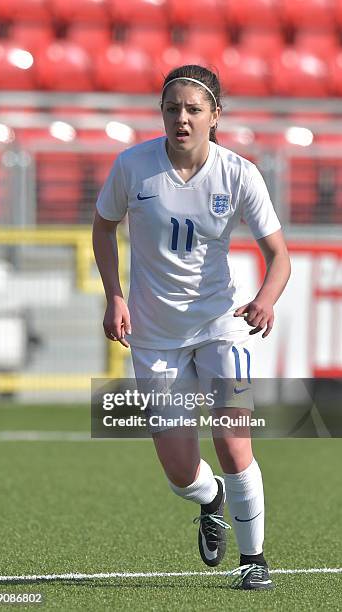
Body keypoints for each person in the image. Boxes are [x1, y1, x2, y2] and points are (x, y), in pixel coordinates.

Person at [92, 64, 291, 590]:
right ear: (162, 114)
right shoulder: (133, 166)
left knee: (233, 438)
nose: (181, 118)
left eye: (193, 109)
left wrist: (266, 300)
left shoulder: (239, 173)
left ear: (215, 115)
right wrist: (114, 294)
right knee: (182, 473)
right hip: (155, 338)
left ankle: (255, 561)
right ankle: (211, 498)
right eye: (172, 108)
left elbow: (279, 256)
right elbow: (104, 226)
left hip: (221, 326)